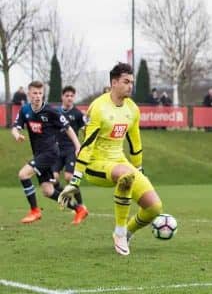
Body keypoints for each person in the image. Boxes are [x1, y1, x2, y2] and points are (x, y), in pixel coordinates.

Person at [58, 63, 164, 256]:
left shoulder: (132, 109)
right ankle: (120, 232)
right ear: (114, 83)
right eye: (126, 82)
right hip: (95, 164)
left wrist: (139, 170)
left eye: (132, 82)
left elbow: (135, 143)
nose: (130, 85)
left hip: (119, 161)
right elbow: (87, 146)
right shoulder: (98, 108)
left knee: (154, 207)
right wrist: (75, 180)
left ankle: (128, 232)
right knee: (125, 175)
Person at [12, 81, 84, 224]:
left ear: (43, 94)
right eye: (34, 93)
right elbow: (15, 127)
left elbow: (68, 128)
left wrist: (77, 146)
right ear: (29, 94)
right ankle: (79, 209)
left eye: (40, 93)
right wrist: (17, 135)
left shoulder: (51, 111)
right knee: (48, 191)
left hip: (50, 153)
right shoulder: (25, 110)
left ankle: (35, 211)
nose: (37, 96)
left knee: (23, 174)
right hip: (39, 154)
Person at [51, 85, 89, 224]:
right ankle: (66, 198)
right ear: (62, 97)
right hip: (56, 150)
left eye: (72, 96)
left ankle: (81, 204)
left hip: (71, 150)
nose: (69, 98)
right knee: (53, 179)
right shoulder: (55, 113)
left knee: (68, 177)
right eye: (67, 95)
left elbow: (86, 128)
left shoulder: (78, 114)